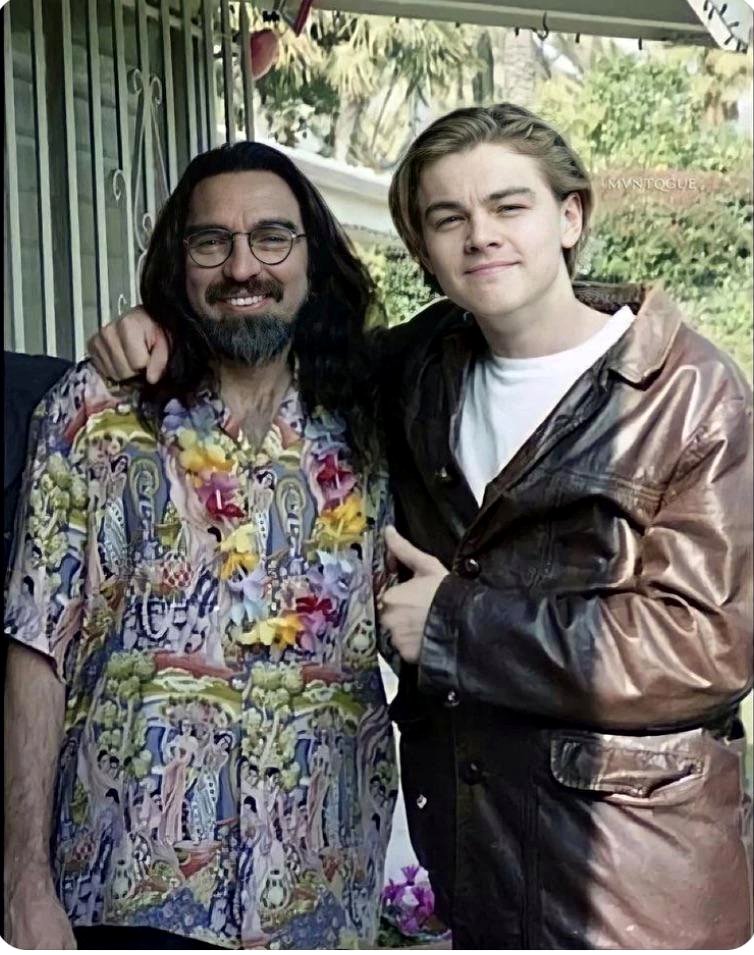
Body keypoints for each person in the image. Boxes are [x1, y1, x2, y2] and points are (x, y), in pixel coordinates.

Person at [86, 104, 753, 949]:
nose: (481, 235)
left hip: (632, 887)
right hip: (477, 869)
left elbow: (709, 646)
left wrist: (453, 625)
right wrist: (154, 328)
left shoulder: (689, 396)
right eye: (449, 217)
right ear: (424, 250)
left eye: (509, 206)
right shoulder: (416, 369)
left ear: (570, 215)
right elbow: (271, 341)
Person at [4, 140, 398, 950]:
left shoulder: (379, 418)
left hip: (321, 899)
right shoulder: (98, 412)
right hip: (124, 894)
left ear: (314, 260)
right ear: (180, 265)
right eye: (211, 241)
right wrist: (22, 885)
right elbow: (35, 645)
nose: (241, 266)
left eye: (272, 238)